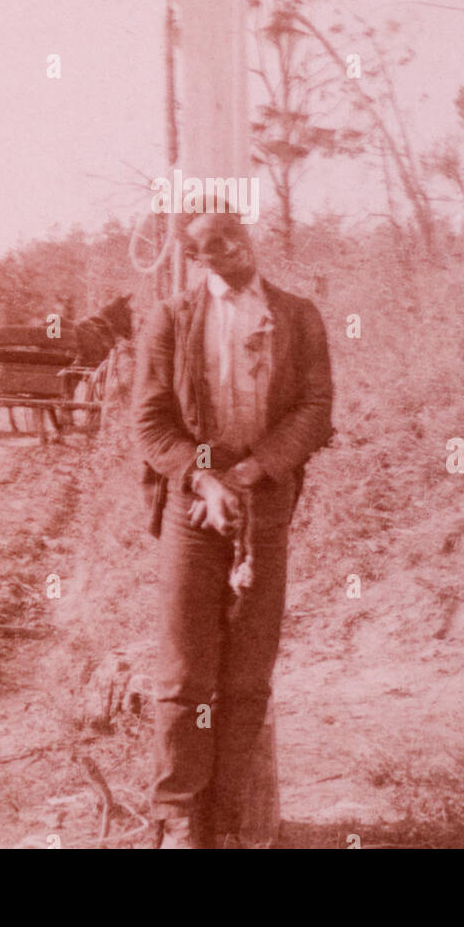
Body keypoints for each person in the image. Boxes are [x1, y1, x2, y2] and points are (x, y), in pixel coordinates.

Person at [132, 205, 334, 848]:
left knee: (248, 673)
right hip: (195, 510)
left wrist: (253, 473)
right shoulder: (171, 318)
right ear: (196, 258)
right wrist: (205, 479)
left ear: (253, 241)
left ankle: (229, 821)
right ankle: (180, 821)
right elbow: (150, 423)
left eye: (238, 239)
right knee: (185, 671)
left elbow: (315, 408)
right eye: (214, 247)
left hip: (265, 499)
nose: (232, 252)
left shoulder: (297, 315)